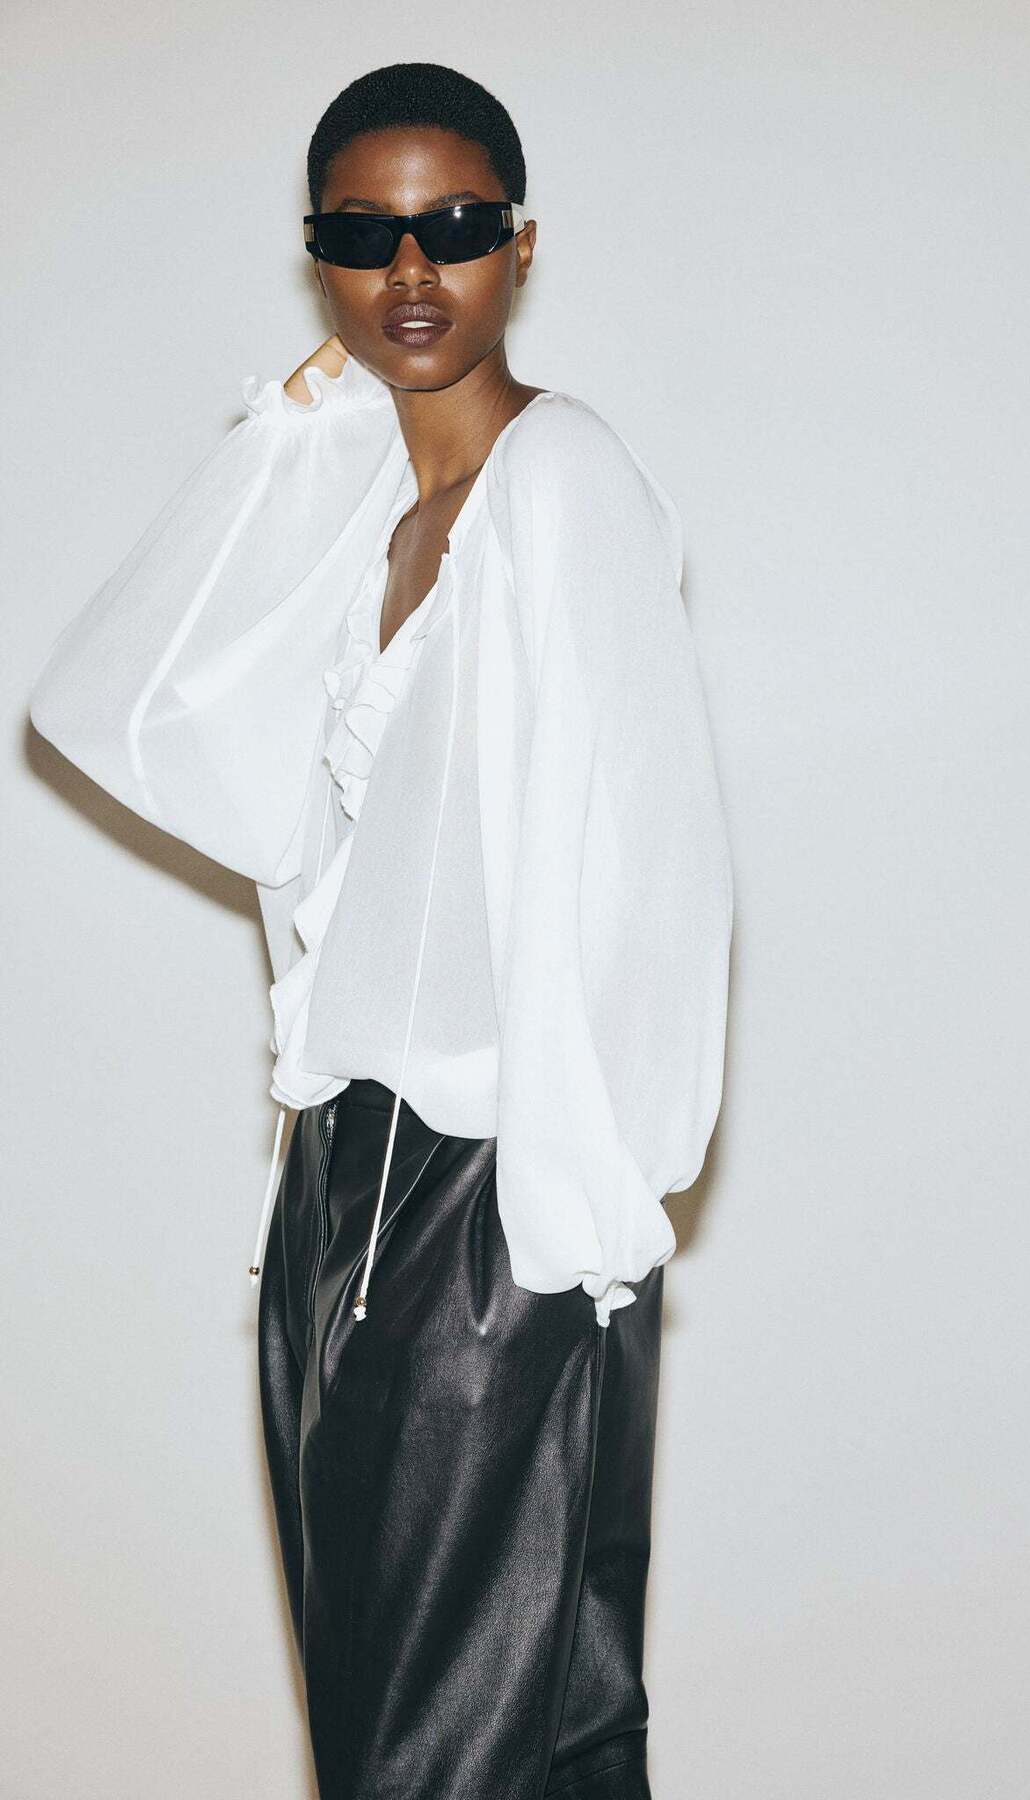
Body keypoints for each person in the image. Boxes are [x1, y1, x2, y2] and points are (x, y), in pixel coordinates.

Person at [29, 60, 733, 1800]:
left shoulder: (564, 481)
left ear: (520, 246)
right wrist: (294, 438)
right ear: (319, 259)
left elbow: (645, 865)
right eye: (363, 235)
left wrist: (579, 1230)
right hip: (333, 1189)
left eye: (455, 227)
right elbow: (116, 708)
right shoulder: (371, 522)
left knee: (443, 1758)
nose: (412, 272)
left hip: (492, 1199)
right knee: (467, 1742)